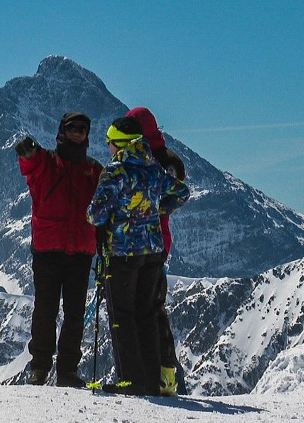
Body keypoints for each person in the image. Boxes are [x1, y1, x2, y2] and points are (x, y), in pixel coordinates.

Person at [86, 116, 189, 396]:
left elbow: (95, 215)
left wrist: (119, 216)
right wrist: (157, 210)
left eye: (109, 143)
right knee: (146, 313)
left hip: (122, 253)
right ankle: (153, 380)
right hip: (153, 252)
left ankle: (131, 379)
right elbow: (181, 192)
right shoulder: (153, 169)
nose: (107, 148)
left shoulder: (116, 172)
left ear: (118, 144)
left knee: (122, 315)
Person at [16, 112, 103, 387]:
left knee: (75, 313)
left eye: (83, 128)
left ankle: (67, 371)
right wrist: (26, 151)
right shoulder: (47, 162)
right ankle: (40, 368)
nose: (78, 132)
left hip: (80, 251)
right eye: (73, 128)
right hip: (49, 251)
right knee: (46, 310)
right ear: (62, 131)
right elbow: (28, 162)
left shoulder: (95, 170)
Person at [125, 106, 187, 396]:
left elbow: (172, 193)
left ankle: (162, 375)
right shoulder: (164, 158)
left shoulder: (158, 160)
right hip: (154, 240)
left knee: (150, 308)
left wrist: (148, 212)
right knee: (149, 308)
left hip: (152, 241)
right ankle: (156, 375)